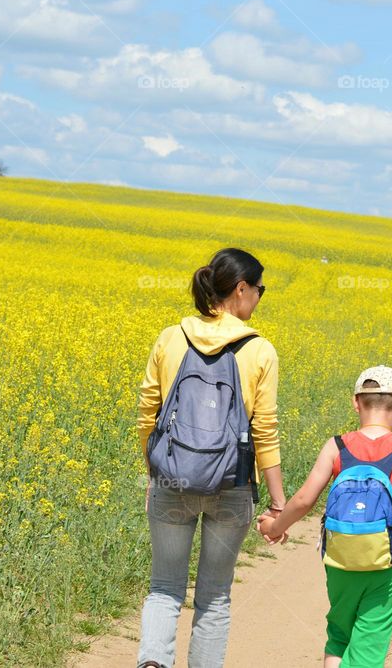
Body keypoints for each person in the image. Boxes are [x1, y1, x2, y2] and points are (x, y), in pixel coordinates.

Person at [136, 248, 287, 668]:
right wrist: (278, 503)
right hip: (231, 485)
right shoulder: (260, 350)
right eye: (259, 290)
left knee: (164, 587)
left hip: (172, 478)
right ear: (241, 290)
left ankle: (152, 662)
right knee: (215, 596)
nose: (259, 297)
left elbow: (148, 411)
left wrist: (155, 471)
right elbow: (265, 431)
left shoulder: (171, 336)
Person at [258, 366, 392, 668]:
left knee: (340, 634)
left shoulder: (337, 446)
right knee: (369, 642)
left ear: (356, 402)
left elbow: (304, 500)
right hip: (387, 562)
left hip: (340, 558)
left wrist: (275, 526)